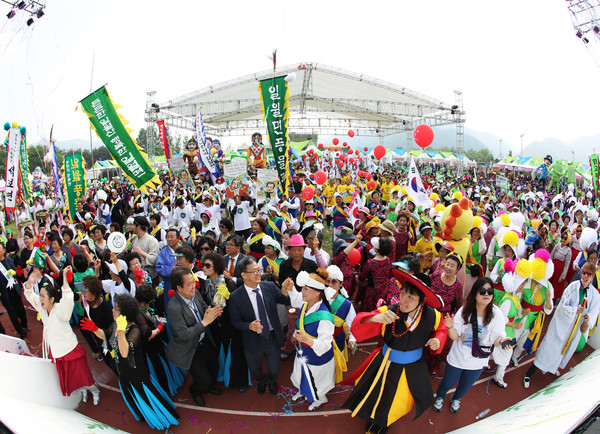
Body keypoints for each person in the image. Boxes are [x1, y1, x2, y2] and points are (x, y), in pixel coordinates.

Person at [342, 271, 447, 433]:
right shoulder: (390, 310)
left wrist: (438, 340)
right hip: (386, 363)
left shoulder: (433, 316)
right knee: (379, 393)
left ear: (422, 300)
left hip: (411, 367)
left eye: (410, 297)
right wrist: (375, 318)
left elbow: (442, 330)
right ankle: (375, 419)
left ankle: (384, 421)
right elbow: (358, 324)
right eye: (402, 293)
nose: (403, 299)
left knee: (397, 399)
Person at [82, 294, 179, 429]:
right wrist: (95, 329)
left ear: (124, 314)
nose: (112, 311)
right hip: (123, 372)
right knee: (132, 395)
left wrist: (121, 332)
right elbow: (105, 334)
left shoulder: (134, 331)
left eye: (116, 309)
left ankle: (160, 418)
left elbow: (124, 352)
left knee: (146, 396)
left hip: (136, 373)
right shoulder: (116, 325)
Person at [434, 277, 514, 413]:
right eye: (483, 291)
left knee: (465, 387)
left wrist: (503, 341)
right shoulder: (465, 311)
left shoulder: (497, 314)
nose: (487, 294)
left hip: (478, 361)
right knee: (447, 382)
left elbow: (496, 340)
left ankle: (456, 398)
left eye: (490, 291)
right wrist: (450, 327)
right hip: (458, 358)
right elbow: (455, 336)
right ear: (475, 293)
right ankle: (440, 396)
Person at [24, 266, 100, 404]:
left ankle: (94, 390)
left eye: (43, 296)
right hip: (57, 352)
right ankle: (83, 390)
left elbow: (68, 296)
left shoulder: (61, 310)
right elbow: (29, 295)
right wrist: (29, 281)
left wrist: (64, 277)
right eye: (40, 295)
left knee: (83, 376)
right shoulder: (42, 308)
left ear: (52, 299)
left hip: (70, 350)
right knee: (72, 379)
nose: (40, 299)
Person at [524, 261, 600, 387]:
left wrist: (588, 319)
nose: (586, 276)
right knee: (549, 348)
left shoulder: (594, 294)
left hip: (574, 329)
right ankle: (529, 373)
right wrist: (575, 310)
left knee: (563, 350)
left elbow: (594, 310)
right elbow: (561, 307)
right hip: (562, 325)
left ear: (592, 277)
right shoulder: (572, 287)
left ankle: (553, 367)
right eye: (584, 273)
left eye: (589, 274)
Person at [229, 256, 290, 395]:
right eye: (254, 271)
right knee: (255, 368)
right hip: (252, 339)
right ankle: (262, 381)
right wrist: (248, 326)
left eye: (258, 270)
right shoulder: (236, 297)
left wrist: (286, 290)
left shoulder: (268, 287)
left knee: (275, 368)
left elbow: (284, 300)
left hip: (272, 336)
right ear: (243, 275)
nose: (258, 273)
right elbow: (235, 321)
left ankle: (272, 381)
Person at [165, 267, 223, 407]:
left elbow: (202, 306)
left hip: (204, 341)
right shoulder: (173, 307)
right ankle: (196, 391)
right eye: (189, 284)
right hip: (190, 348)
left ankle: (209, 387)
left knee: (214, 367)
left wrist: (210, 311)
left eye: (193, 282)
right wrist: (205, 322)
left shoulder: (195, 292)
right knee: (202, 379)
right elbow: (183, 334)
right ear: (179, 288)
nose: (193, 286)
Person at [281, 269, 337, 410]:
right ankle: (303, 391)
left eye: (306, 289)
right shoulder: (307, 303)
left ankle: (319, 399)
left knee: (316, 379)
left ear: (318, 292)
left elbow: (326, 344)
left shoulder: (324, 317)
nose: (303, 292)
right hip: (304, 351)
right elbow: (296, 300)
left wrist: (307, 339)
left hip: (318, 355)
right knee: (302, 373)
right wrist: (291, 288)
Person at [200, 253, 249, 392]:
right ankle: (221, 375)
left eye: (208, 265)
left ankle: (240, 380)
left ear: (217, 266)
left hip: (230, 323)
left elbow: (237, 304)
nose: (204, 268)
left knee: (235, 351)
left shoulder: (227, 282)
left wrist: (227, 298)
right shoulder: (207, 283)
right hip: (215, 324)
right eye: (204, 265)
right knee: (219, 350)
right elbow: (204, 302)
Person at [134, 284, 184, 396]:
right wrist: (160, 326)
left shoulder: (141, 309)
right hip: (150, 349)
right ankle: (165, 391)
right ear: (143, 302)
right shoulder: (138, 314)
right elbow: (148, 334)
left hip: (156, 346)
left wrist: (155, 320)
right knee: (159, 370)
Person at [278, 234, 318, 360]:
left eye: (299, 249)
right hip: (291, 304)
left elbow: (317, 283)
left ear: (304, 250)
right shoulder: (284, 265)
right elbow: (281, 285)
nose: (296, 253)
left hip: (308, 303)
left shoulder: (311, 265)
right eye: (293, 249)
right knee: (293, 327)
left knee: (308, 326)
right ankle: (289, 347)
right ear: (288, 250)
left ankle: (307, 347)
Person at [428, 252, 464, 373]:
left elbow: (459, 304)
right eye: (447, 264)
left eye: (452, 266)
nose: (448, 267)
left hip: (444, 318)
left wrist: (454, 321)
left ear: (457, 269)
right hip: (430, 313)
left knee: (441, 342)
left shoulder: (458, 285)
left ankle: (434, 365)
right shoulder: (436, 275)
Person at [0, 242, 28, 341]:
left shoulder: (8, 260)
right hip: (6, 294)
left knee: (22, 311)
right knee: (13, 316)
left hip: (15, 291)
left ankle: (24, 325)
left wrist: (15, 273)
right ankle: (22, 334)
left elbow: (17, 272)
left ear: (3, 251)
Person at [130, 216, 160, 284]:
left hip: (149, 276)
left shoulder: (152, 240)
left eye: (133, 225)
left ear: (138, 227)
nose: (132, 227)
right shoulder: (135, 239)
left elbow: (154, 259)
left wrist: (141, 253)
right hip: (136, 274)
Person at [156, 228, 180, 309]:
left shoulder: (184, 250)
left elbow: (192, 261)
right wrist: (171, 269)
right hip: (169, 284)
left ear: (178, 238)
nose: (169, 239)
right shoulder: (163, 252)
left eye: (172, 237)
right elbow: (159, 268)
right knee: (171, 307)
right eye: (167, 237)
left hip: (184, 282)